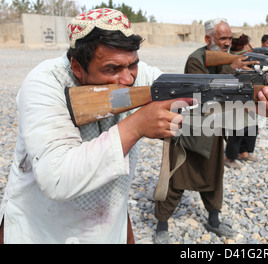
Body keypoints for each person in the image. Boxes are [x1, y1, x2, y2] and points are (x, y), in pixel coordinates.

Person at [0, 8, 194, 244]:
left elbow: (192, 99)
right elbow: (57, 178)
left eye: (132, 65)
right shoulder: (44, 83)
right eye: (111, 69)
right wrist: (135, 127)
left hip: (107, 224)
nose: (128, 79)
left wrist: (243, 100)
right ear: (77, 67)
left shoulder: (137, 74)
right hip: (42, 228)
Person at [153, 18, 268, 244]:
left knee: (214, 178)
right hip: (190, 130)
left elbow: (243, 87)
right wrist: (233, 68)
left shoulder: (232, 58)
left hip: (213, 129)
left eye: (229, 38)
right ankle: (162, 225)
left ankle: (213, 221)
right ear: (208, 39)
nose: (227, 43)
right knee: (177, 180)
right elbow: (203, 89)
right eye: (222, 38)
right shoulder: (197, 59)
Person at [225, 32, 259, 169]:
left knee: (251, 126)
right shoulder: (231, 58)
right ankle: (229, 157)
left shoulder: (245, 55)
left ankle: (244, 152)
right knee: (238, 128)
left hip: (248, 96)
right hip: (236, 97)